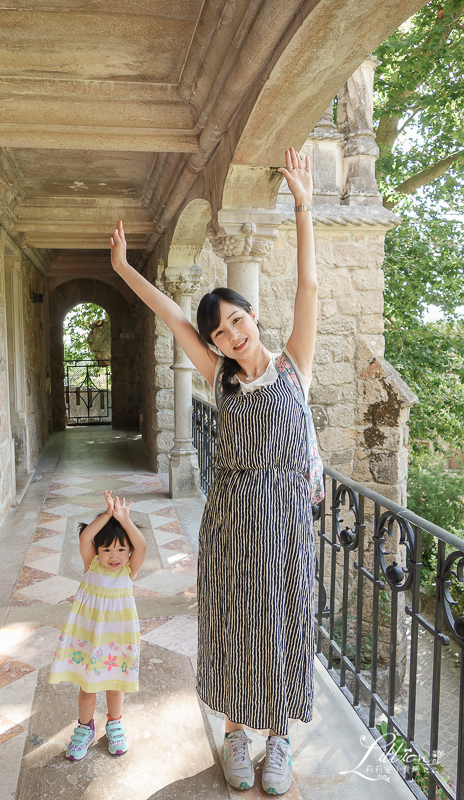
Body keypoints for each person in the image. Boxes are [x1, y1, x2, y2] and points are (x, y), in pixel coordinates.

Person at [109, 147, 317, 795]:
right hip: (230, 517)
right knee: (231, 620)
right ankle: (234, 733)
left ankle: (277, 740)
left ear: (251, 317)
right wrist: (121, 269)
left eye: (236, 320)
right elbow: (172, 317)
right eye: (221, 331)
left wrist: (304, 206)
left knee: (282, 618)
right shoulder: (219, 379)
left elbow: (309, 287)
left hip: (284, 519)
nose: (231, 334)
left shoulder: (291, 367)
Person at [49, 491, 147, 761]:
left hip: (117, 638)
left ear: (129, 553)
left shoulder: (129, 571)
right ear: (98, 551)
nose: (114, 556)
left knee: (115, 685)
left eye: (120, 549)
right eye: (107, 549)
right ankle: (84, 728)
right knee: (87, 687)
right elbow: (84, 537)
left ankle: (115, 723)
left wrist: (124, 520)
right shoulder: (91, 564)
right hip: (89, 637)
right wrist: (107, 515)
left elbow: (142, 545)